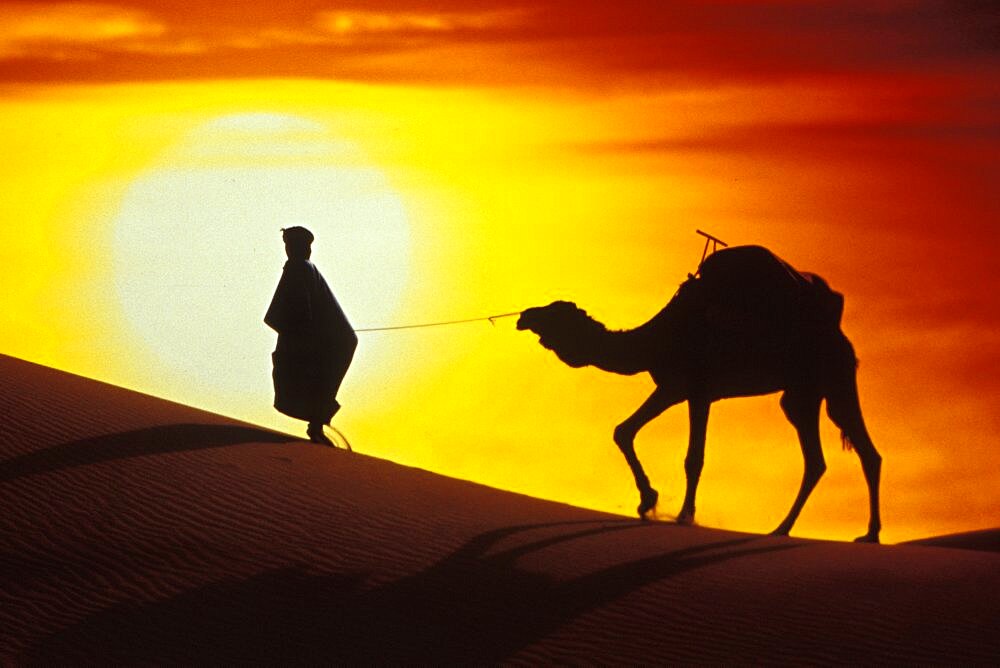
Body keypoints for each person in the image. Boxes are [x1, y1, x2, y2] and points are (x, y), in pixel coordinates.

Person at [264, 226, 357, 445]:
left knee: (309, 379)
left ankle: (316, 425)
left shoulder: (300, 268)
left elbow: (302, 310)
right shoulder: (301, 267)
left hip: (320, 341)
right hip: (320, 339)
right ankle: (316, 425)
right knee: (310, 380)